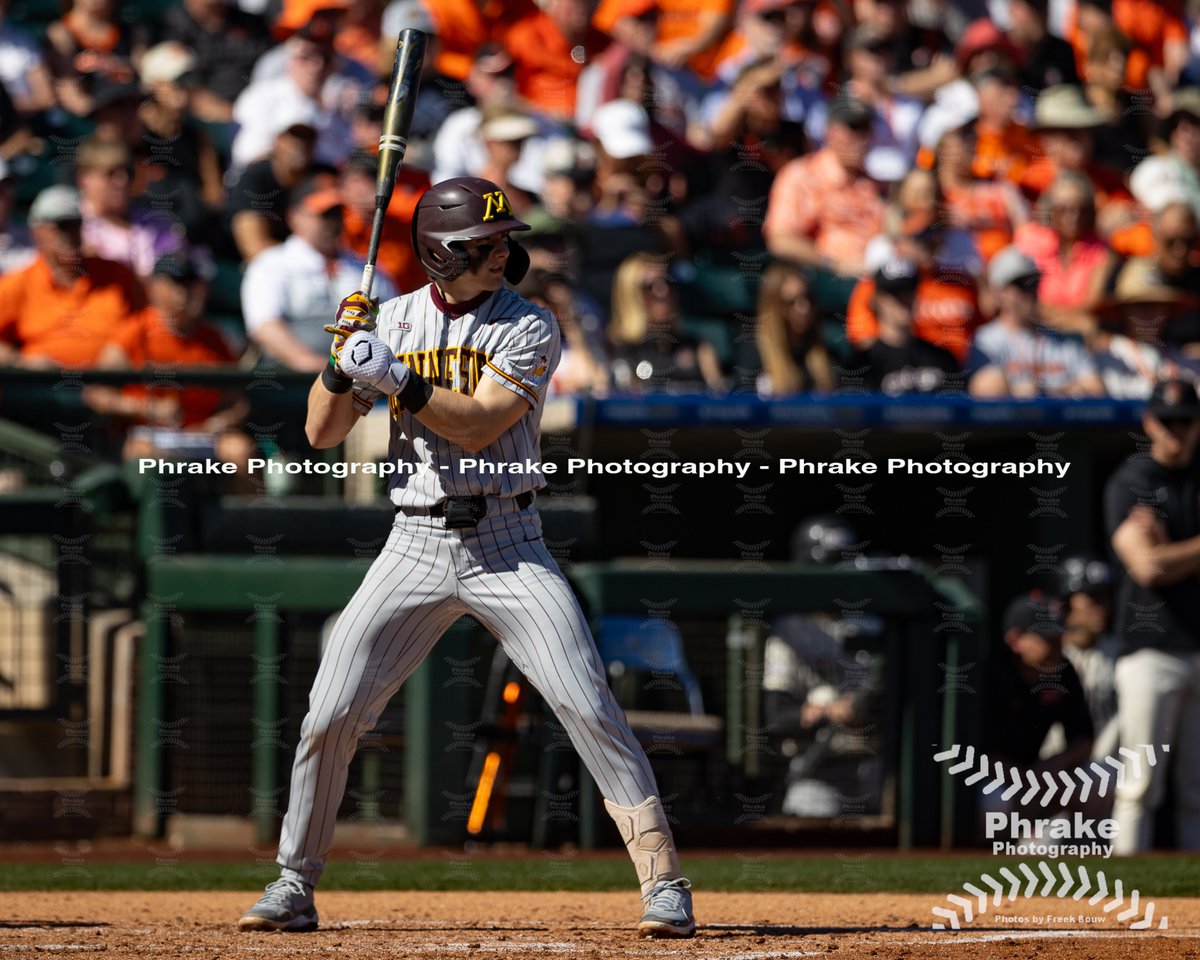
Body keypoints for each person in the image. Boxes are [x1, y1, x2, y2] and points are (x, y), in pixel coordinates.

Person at [238, 176, 695, 938]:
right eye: (483, 245)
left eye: (503, 241)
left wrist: (391, 373)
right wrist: (340, 366)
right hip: (411, 542)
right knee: (331, 712)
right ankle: (293, 883)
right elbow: (321, 432)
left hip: (508, 543)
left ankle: (664, 884)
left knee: (587, 706)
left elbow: (479, 424)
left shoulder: (531, 324)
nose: (502, 253)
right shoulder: (392, 317)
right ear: (438, 254)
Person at [1105, 378, 1200, 853]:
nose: (1176, 431)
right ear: (1149, 423)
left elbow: (1163, 560)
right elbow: (1146, 566)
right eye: (1167, 421)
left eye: (1186, 421)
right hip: (1151, 648)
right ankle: (1125, 914)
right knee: (1139, 785)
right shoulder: (1133, 480)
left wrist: (1172, 552)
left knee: (1196, 792)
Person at [239, 177, 396, 371]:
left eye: (336, 214)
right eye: (323, 214)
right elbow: (265, 327)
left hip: (362, 378)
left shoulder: (366, 266)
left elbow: (392, 321)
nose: (332, 222)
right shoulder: (271, 264)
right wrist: (308, 362)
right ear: (294, 217)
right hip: (292, 379)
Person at [0, 185, 143, 368]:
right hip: (43, 390)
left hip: (108, 384)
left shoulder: (116, 275)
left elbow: (147, 321)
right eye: (61, 226)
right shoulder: (20, 283)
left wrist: (122, 346)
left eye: (76, 225)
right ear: (37, 231)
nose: (70, 235)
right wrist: (21, 361)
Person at [981, 593, 1094, 818]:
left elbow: (1084, 739)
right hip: (989, 776)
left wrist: (1056, 764)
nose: (1056, 647)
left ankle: (1085, 850)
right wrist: (1028, 779)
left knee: (1096, 783)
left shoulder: (1063, 671)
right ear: (1015, 640)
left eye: (1059, 639)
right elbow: (981, 755)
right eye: (1047, 639)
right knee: (994, 800)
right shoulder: (991, 672)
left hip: (1035, 772)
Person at [967, 245, 1104, 398]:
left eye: (1034, 283)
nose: (1030, 292)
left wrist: (1037, 393)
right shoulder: (986, 340)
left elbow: (1096, 389)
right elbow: (987, 390)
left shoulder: (1062, 340)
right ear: (998, 294)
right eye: (1021, 285)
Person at [609, 251, 724, 393]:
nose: (663, 291)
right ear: (630, 294)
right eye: (650, 286)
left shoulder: (698, 348)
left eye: (668, 282)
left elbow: (717, 401)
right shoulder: (615, 347)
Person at [849, 260, 963, 395]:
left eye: (909, 291)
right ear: (878, 300)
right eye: (895, 293)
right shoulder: (863, 364)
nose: (904, 300)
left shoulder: (942, 358)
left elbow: (959, 410)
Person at [1059, 556, 1119, 762]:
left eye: (1105, 596)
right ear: (1067, 603)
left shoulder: (1121, 653)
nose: (1101, 606)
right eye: (1092, 597)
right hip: (1053, 762)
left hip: (1108, 764)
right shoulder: (1051, 654)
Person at [753, 260, 836, 396]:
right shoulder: (754, 356)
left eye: (808, 298)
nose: (804, 308)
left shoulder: (826, 356)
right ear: (773, 309)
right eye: (791, 302)